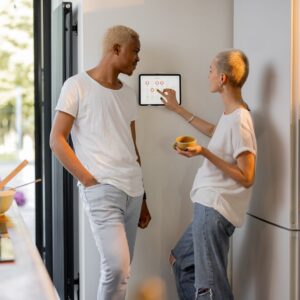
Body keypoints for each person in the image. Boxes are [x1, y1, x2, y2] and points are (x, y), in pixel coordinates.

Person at [50, 25, 151, 300]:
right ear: (116, 49)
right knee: (116, 269)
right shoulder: (76, 85)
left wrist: (144, 199)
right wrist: (88, 180)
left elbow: (132, 148)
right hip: (102, 190)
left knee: (123, 272)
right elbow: (57, 140)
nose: (138, 59)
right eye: (135, 52)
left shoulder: (128, 94)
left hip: (133, 191)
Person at [157, 49, 257, 300]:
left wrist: (203, 152)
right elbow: (215, 131)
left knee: (210, 287)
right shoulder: (232, 114)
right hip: (207, 206)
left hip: (215, 209)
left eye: (211, 70)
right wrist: (177, 108)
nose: (208, 75)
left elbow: (247, 176)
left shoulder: (240, 118)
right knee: (180, 260)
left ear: (222, 78)